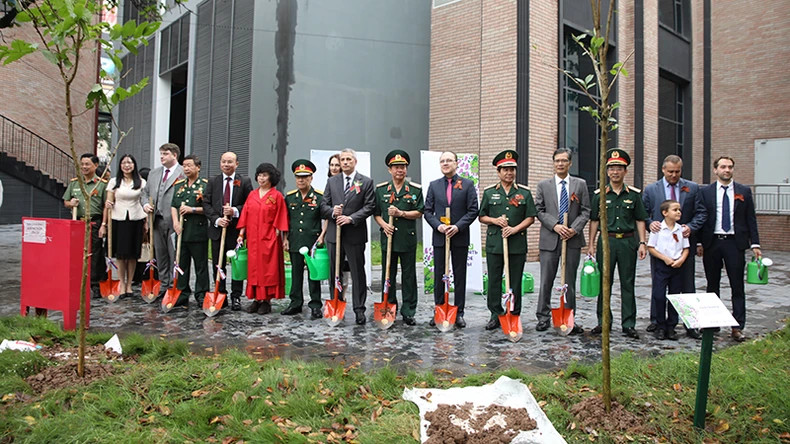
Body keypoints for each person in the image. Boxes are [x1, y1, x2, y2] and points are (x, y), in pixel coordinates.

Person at [642, 155, 707, 339]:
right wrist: (650, 223)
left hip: (683, 245)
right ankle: (658, 322)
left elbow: (701, 212)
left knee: (687, 286)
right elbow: (643, 213)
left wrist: (691, 227)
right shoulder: (651, 189)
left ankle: (689, 323)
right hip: (661, 248)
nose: (673, 175)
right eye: (670, 171)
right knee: (659, 287)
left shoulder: (692, 188)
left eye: (677, 172)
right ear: (663, 170)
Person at [698, 156, 760, 342]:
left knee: (737, 285)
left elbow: (751, 218)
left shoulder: (743, 191)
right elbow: (701, 217)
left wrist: (755, 244)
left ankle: (737, 326)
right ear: (715, 170)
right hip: (712, 242)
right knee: (712, 284)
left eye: (730, 167)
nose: (727, 170)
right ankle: (712, 322)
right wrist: (699, 242)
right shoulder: (706, 192)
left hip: (735, 243)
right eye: (723, 167)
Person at [588, 149, 648, 339]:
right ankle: (603, 321)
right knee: (604, 283)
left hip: (628, 242)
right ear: (607, 171)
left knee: (627, 283)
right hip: (607, 241)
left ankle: (628, 324)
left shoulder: (634, 195)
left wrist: (642, 242)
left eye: (619, 168)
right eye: (612, 168)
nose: (615, 172)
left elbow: (640, 219)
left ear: (625, 171)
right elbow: (594, 221)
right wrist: (591, 244)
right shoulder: (599, 195)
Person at [478, 150, 536, 330]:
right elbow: (481, 216)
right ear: (498, 172)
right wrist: (495, 221)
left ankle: (514, 312)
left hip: (516, 243)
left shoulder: (524, 193)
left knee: (516, 280)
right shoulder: (489, 193)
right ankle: (496, 314)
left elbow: (531, 217)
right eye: (505, 169)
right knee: (494, 280)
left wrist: (515, 229)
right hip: (495, 243)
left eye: (512, 169)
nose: (509, 173)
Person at [534, 147, 590, 334]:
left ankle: (568, 316)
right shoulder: (544, 185)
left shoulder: (580, 184)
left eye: (564, 160)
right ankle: (543, 317)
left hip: (572, 240)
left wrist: (574, 229)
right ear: (553, 163)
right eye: (557, 160)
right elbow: (539, 210)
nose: (560, 164)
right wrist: (555, 226)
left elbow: (586, 211)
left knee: (569, 281)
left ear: (570, 163)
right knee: (546, 280)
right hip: (550, 239)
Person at [319, 148, 376, 325]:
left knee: (357, 272)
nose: (345, 162)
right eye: (343, 159)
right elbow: (323, 205)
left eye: (348, 159)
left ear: (355, 162)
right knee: (334, 272)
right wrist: (332, 211)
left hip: (354, 234)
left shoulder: (366, 182)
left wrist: (351, 218)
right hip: (334, 235)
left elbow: (369, 206)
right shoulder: (332, 181)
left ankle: (359, 309)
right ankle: (336, 303)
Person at [424, 151, 479, 328]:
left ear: (456, 163)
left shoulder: (467, 184)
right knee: (439, 274)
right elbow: (427, 211)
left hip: (459, 236)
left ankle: (459, 312)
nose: (445, 163)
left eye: (449, 160)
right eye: (442, 161)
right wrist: (438, 226)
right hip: (440, 236)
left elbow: (473, 210)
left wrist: (458, 227)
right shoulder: (434, 185)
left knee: (459, 274)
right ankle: (439, 309)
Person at [374, 150, 424, 326]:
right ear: (390, 170)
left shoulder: (415, 190)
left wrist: (401, 213)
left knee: (409, 275)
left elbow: (419, 212)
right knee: (388, 273)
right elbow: (376, 213)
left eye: (402, 166)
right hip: (388, 237)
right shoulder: (381, 190)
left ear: (406, 169)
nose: (399, 170)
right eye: (395, 167)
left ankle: (409, 310)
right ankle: (389, 306)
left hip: (407, 238)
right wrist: (384, 225)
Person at [202, 151, 253, 311]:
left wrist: (235, 211)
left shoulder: (244, 181)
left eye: (230, 162)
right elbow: (206, 203)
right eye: (223, 161)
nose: (226, 164)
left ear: (236, 164)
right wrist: (217, 220)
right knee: (218, 263)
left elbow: (250, 204)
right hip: (218, 230)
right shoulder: (213, 181)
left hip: (236, 231)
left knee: (237, 264)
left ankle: (236, 296)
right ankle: (220, 292)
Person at [237, 163, 289, 314]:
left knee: (268, 271)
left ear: (271, 178)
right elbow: (245, 215)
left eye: (265, 175)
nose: (261, 178)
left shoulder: (276, 196)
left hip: (269, 238)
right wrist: (241, 234)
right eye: (259, 175)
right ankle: (256, 299)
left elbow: (282, 218)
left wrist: (283, 238)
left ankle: (266, 301)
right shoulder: (252, 195)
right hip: (253, 239)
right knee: (254, 270)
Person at [282, 160, 325, 319]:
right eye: (298, 177)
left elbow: (325, 219)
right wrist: (285, 239)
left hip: (312, 240)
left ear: (311, 178)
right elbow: (285, 220)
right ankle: (295, 303)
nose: (301, 180)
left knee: (314, 274)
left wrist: (322, 236)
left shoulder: (319, 197)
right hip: (295, 239)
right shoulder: (290, 197)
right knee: (296, 272)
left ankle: (315, 304)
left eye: (305, 177)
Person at [141, 143, 184, 299]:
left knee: (174, 254)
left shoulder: (182, 173)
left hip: (174, 220)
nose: (162, 157)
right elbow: (144, 193)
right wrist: (145, 204)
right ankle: (163, 284)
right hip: (156, 220)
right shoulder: (154, 173)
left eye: (165, 154)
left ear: (174, 155)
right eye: (161, 154)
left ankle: (175, 285)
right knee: (160, 254)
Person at [63, 153, 108, 299]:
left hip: (94, 223)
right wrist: (71, 203)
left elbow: (106, 207)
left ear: (96, 165)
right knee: (77, 253)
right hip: (77, 223)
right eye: (82, 164)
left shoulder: (101, 184)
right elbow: (66, 201)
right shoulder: (75, 183)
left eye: (87, 164)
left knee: (95, 254)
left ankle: (95, 284)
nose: (84, 167)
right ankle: (78, 281)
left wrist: (104, 225)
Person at [104, 154, 147, 298]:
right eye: (123, 163)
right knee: (121, 254)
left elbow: (144, 201)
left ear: (134, 165)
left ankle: (129, 285)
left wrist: (146, 222)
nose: (127, 165)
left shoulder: (141, 182)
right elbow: (109, 201)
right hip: (118, 219)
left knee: (133, 254)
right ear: (120, 165)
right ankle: (122, 283)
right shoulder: (114, 181)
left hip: (136, 219)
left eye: (129, 162)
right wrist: (107, 208)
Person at [170, 155, 210, 307]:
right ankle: (182, 293)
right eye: (184, 166)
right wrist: (175, 222)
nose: (186, 168)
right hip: (182, 232)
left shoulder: (205, 186)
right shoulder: (179, 185)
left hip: (198, 231)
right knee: (181, 263)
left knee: (200, 265)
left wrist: (192, 209)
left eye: (189, 165)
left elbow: (209, 208)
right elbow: (174, 205)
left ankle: (201, 294)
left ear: (198, 167)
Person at [647, 200, 690, 340]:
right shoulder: (658, 229)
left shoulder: (681, 229)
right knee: (659, 296)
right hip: (662, 265)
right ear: (665, 213)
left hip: (677, 266)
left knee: (674, 296)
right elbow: (651, 247)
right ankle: (660, 325)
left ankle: (671, 326)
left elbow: (686, 248)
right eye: (675, 210)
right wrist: (664, 258)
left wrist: (681, 260)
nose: (678, 212)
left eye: (679, 210)